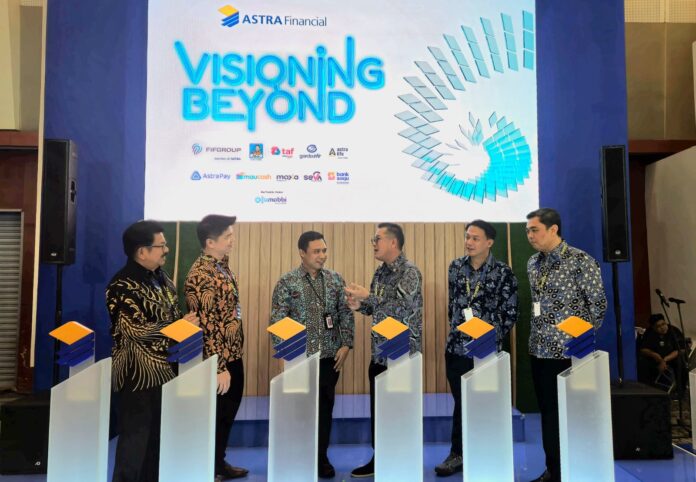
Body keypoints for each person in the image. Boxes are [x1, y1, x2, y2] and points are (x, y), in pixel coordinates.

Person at [107, 220, 199, 482]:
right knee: (135, 442)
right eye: (161, 246)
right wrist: (177, 327)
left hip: (167, 371)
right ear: (141, 251)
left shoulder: (162, 279)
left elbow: (173, 316)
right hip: (137, 376)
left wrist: (185, 324)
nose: (166, 250)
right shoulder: (121, 286)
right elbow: (132, 330)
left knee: (158, 442)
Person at [525, 208, 607, 482]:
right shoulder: (533, 263)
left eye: (534, 230)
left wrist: (580, 342)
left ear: (553, 229)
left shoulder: (580, 260)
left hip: (571, 354)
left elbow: (598, 305)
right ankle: (555, 471)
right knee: (549, 415)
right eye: (527, 231)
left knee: (574, 416)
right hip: (539, 351)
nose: (530, 235)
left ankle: (577, 472)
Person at [435, 220, 518, 477]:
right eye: (467, 237)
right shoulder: (455, 267)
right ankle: (457, 454)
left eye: (475, 238)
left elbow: (510, 313)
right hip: (457, 348)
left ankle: (486, 452)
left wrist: (487, 338)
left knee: (485, 404)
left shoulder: (503, 272)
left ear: (489, 242)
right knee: (462, 403)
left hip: (486, 352)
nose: (469, 242)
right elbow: (453, 307)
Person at [270, 231, 354, 479]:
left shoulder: (336, 280)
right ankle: (299, 457)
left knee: (324, 411)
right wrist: (284, 356)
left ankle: (320, 458)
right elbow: (278, 321)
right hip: (298, 360)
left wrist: (346, 344)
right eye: (316, 251)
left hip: (329, 358)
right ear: (302, 253)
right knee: (298, 411)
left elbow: (345, 313)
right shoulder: (287, 282)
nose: (322, 256)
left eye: (324, 250)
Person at [345, 223, 423, 478]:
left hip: (402, 355)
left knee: (401, 412)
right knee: (380, 412)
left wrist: (368, 296)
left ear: (393, 242)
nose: (373, 243)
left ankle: (403, 461)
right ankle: (381, 458)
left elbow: (402, 308)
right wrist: (359, 305)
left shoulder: (410, 272)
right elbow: (376, 309)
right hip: (379, 354)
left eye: (377, 239)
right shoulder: (379, 273)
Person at [184, 214, 248, 480]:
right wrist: (218, 367)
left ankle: (218, 463)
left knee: (226, 415)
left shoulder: (222, 267)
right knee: (216, 415)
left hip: (232, 354)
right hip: (217, 360)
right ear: (210, 242)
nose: (232, 240)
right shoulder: (201, 275)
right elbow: (207, 325)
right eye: (227, 237)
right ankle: (209, 467)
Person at [638, 313, 687, 393]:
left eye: (663, 324)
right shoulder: (649, 332)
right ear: (653, 327)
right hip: (656, 358)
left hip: (671, 358)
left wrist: (664, 360)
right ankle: (648, 390)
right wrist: (655, 355)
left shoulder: (674, 331)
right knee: (642, 362)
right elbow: (643, 349)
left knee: (680, 362)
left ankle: (680, 391)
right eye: (658, 326)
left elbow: (681, 350)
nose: (662, 327)